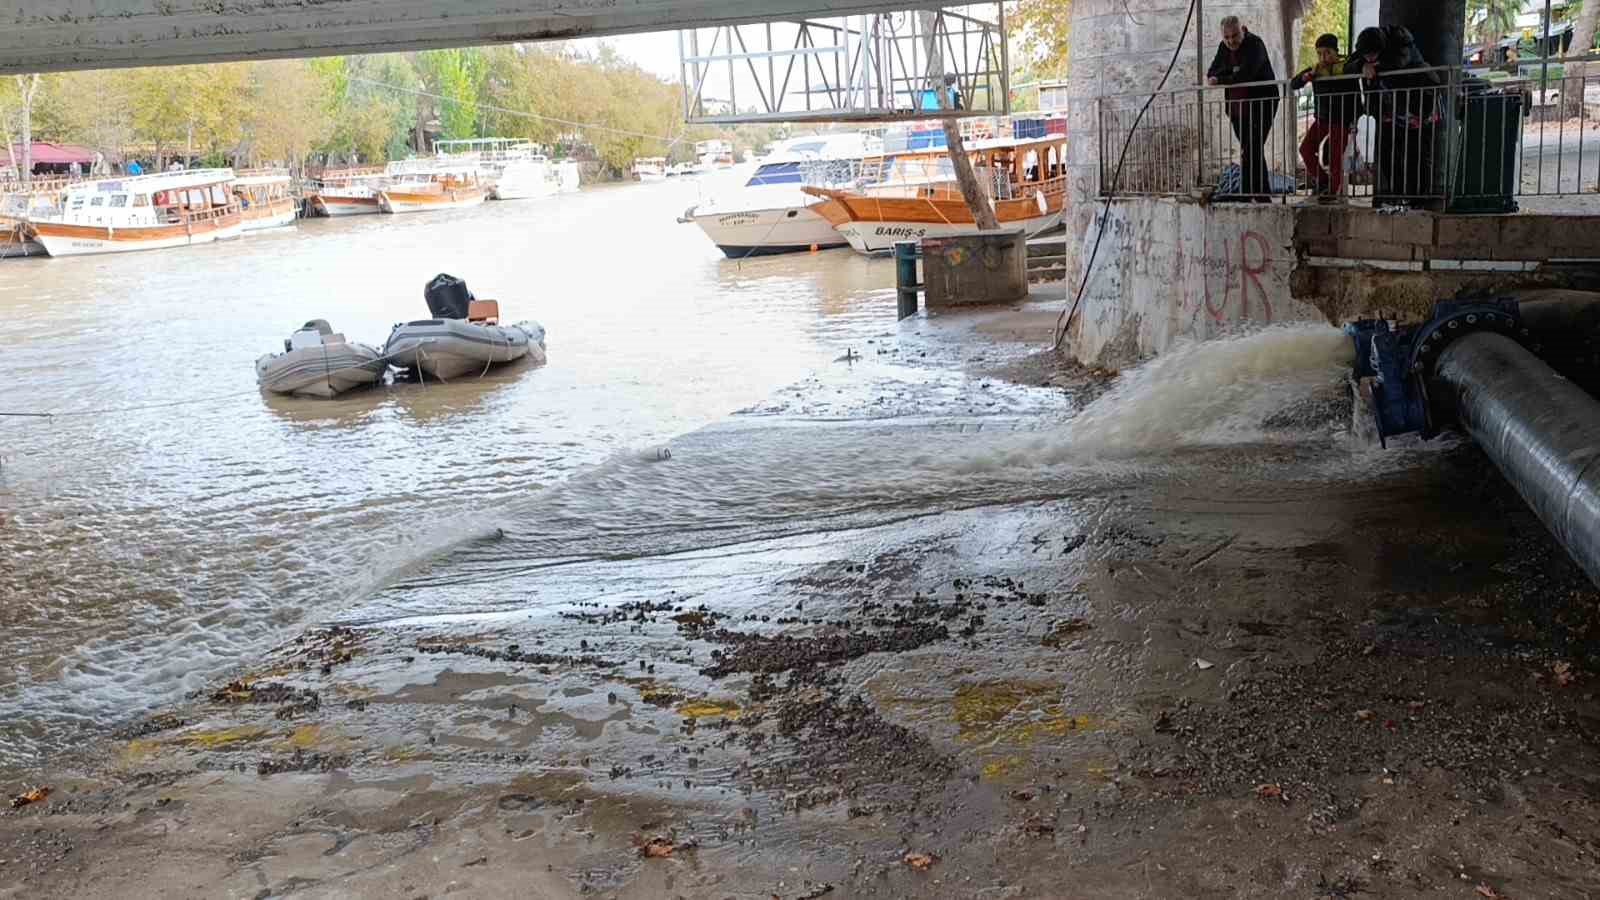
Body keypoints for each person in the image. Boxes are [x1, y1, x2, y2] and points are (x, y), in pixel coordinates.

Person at [1347, 25, 1441, 206]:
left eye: (1372, 54)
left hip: (1418, 106)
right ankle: (1397, 194)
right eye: (1366, 55)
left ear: (1381, 48)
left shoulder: (1401, 40)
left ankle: (1418, 199)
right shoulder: (1366, 50)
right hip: (1389, 109)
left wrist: (1375, 66)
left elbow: (1400, 62)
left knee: (1418, 155)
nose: (1369, 58)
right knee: (1387, 154)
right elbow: (1347, 67)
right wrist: (1361, 65)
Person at [1207, 15, 1280, 200]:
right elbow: (1212, 71)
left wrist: (1225, 77)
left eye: (1235, 36)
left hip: (1261, 105)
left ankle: (1247, 195)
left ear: (1243, 29)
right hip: (1237, 109)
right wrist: (1232, 72)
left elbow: (1246, 75)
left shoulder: (1255, 44)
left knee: (1250, 149)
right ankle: (1261, 195)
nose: (1231, 41)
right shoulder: (1224, 47)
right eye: (1227, 37)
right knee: (1251, 150)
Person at [1291, 33, 1361, 201]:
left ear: (1336, 51)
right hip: (1322, 119)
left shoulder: (1346, 67)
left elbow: (1357, 95)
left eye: (1327, 52)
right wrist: (1305, 77)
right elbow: (1294, 83)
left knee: (1336, 157)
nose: (1323, 57)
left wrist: (1354, 121)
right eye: (1320, 53)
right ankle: (1322, 181)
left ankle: (1333, 191)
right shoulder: (1316, 69)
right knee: (1305, 149)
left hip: (1341, 120)